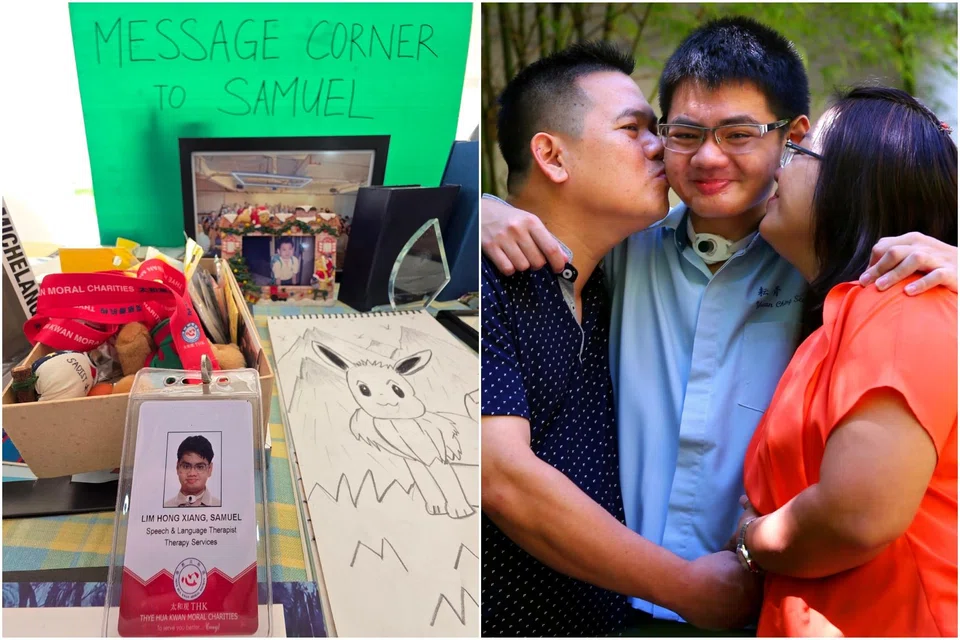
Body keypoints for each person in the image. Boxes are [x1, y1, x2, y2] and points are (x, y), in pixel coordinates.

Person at [481, 17, 958, 633]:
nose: (706, 157)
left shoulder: (843, 277)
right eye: (681, 133)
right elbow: (551, 209)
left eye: (737, 133)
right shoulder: (620, 251)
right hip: (611, 603)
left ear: (793, 139)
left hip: (760, 606)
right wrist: (487, 208)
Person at [481, 41, 761, 638]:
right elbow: (499, 474)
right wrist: (684, 586)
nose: (661, 146)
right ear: (552, 156)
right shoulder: (487, 282)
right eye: (633, 128)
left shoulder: (615, 276)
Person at [728, 87, 958, 637]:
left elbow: (857, 516)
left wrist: (748, 540)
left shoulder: (906, 304)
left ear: (852, 181)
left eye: (799, 152)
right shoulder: (841, 317)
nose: (777, 167)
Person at [164, 435, 221, 508]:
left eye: (200, 467)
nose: (192, 473)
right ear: (177, 467)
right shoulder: (165, 508)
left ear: (210, 469)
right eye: (186, 466)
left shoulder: (220, 507)